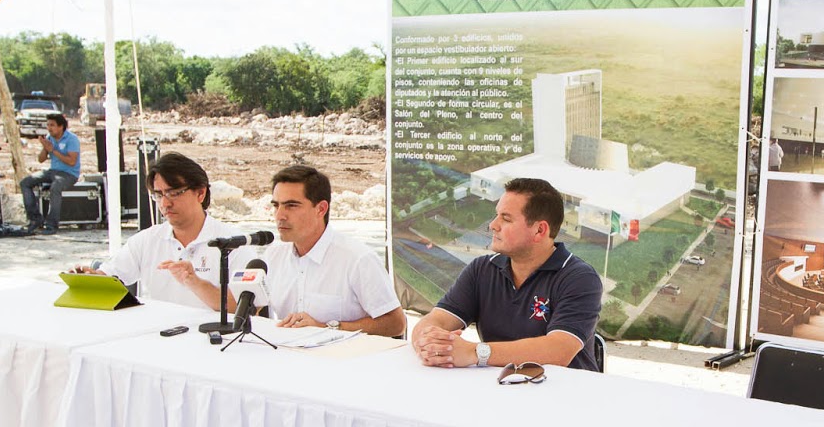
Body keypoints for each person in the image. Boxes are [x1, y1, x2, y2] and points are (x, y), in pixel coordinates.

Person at [412, 177, 602, 371]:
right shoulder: (482, 269)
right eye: (496, 215)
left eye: (506, 218)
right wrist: (427, 342)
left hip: (566, 395)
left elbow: (558, 350)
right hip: (500, 391)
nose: (493, 225)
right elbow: (437, 320)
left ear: (539, 230)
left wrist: (474, 353)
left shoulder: (580, 278)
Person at [72, 151, 244, 310]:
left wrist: (194, 282)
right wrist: (90, 278)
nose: (165, 204)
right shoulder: (147, 240)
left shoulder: (234, 243)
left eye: (174, 193)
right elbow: (109, 276)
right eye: (159, 195)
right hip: (158, 336)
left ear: (200, 193)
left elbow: (245, 308)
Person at [263, 165, 405, 336]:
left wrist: (326, 328)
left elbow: (396, 323)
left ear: (321, 209)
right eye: (276, 206)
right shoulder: (272, 256)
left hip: (347, 359)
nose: (279, 215)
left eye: (291, 206)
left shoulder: (357, 259)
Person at [19, 113, 81, 234]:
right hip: (52, 171)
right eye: (47, 125)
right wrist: (44, 147)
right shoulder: (50, 137)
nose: (49, 128)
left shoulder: (72, 139)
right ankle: (35, 218)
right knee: (25, 183)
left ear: (61, 126)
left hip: (69, 174)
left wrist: (53, 150)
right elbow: (41, 159)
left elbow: (72, 161)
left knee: (55, 187)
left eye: (52, 125)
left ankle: (52, 224)